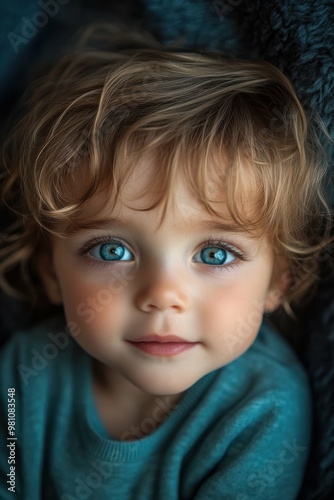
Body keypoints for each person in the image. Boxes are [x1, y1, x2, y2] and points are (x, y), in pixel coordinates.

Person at [0, 22, 331, 500]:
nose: (161, 296)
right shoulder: (21, 376)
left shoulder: (261, 406)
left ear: (279, 279)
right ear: (51, 272)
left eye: (215, 254)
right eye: (112, 250)